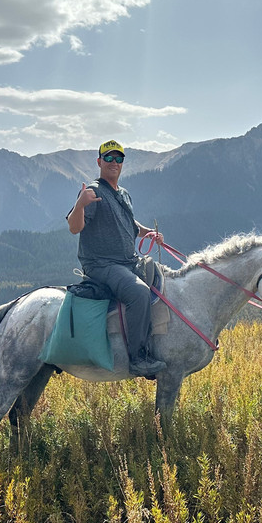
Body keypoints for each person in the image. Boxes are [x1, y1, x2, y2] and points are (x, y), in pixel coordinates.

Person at [66, 140, 166, 377]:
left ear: (123, 163)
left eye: (118, 158)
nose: (114, 163)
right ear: (99, 162)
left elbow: (129, 224)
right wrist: (80, 204)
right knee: (139, 293)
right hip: (102, 265)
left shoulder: (123, 193)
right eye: (108, 158)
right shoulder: (93, 193)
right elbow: (73, 227)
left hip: (127, 262)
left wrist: (147, 233)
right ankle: (138, 358)